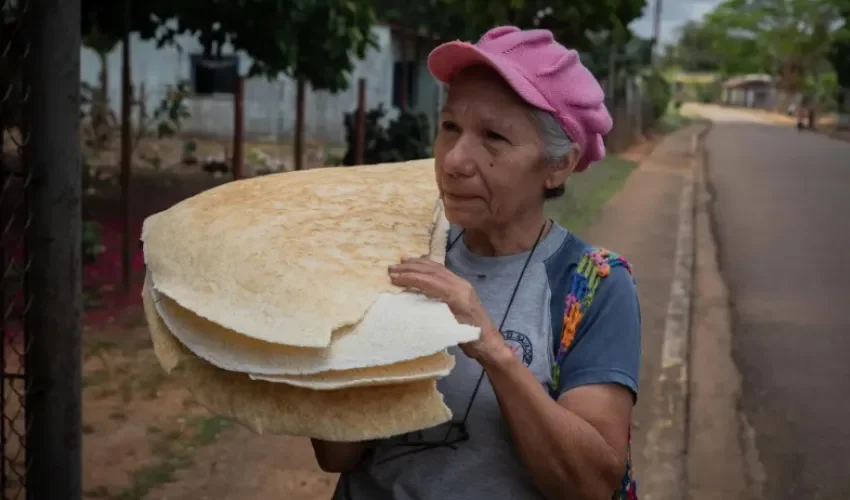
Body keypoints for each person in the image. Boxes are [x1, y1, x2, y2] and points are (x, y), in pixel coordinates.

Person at [312, 26, 641, 500]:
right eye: (449, 127)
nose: (455, 160)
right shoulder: (402, 253)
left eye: (493, 137)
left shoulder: (593, 285)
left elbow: (589, 483)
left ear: (559, 165)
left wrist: (490, 345)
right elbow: (336, 457)